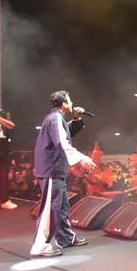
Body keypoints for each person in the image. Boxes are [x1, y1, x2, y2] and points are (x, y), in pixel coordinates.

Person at [30, 91, 96, 257]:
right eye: (70, 100)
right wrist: (82, 158)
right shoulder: (55, 119)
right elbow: (62, 142)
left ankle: (65, 238)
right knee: (50, 208)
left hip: (55, 170)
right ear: (64, 103)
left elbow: (65, 133)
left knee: (61, 207)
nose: (72, 103)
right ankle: (40, 245)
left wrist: (76, 119)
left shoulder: (56, 119)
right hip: (51, 170)